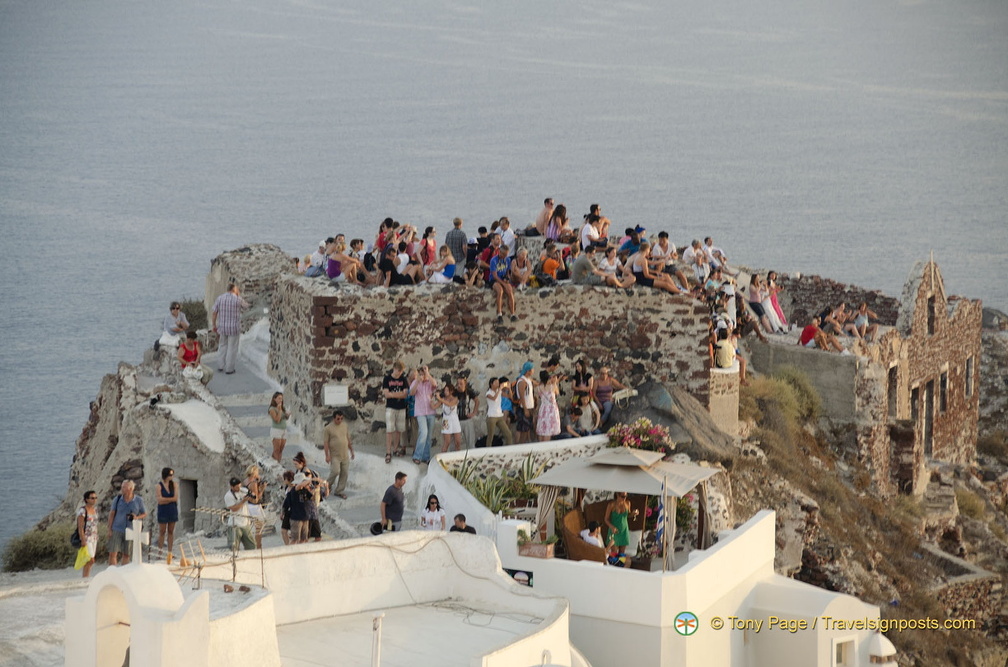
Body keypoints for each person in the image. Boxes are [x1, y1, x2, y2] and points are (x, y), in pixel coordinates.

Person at [211, 283, 248, 375]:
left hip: (222, 327)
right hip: (233, 328)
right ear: (234, 289)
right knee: (232, 348)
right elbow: (246, 306)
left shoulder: (220, 298)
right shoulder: (238, 299)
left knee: (222, 346)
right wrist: (238, 295)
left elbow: (214, 313)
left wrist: (214, 325)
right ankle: (229, 369)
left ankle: (220, 366)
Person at [107, 480, 146, 566]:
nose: (122, 489)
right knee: (113, 553)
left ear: (131, 489)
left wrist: (136, 517)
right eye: (122, 487)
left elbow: (144, 513)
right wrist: (109, 529)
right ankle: (112, 573)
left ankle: (124, 573)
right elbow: (112, 514)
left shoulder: (138, 500)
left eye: (124, 487)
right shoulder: (117, 499)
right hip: (117, 528)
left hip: (130, 529)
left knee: (127, 554)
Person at [323, 410, 354, 499]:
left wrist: (351, 450)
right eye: (338, 419)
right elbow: (326, 443)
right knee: (335, 471)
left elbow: (347, 438)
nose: (339, 420)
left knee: (345, 473)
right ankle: (327, 486)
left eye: (341, 419)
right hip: (335, 455)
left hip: (344, 454)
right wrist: (327, 455)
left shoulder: (344, 426)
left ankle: (339, 490)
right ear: (334, 418)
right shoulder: (328, 428)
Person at [383, 360, 409, 462]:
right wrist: (398, 394)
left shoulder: (403, 379)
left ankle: (395, 449)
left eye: (401, 371)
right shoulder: (387, 379)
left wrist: (392, 394)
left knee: (399, 430)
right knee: (389, 430)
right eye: (399, 371)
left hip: (401, 407)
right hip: (390, 407)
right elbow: (386, 394)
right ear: (394, 368)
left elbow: (405, 394)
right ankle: (388, 451)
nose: (400, 373)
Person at [410, 365, 437, 464]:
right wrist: (417, 381)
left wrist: (428, 374)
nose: (422, 376)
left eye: (423, 374)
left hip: (431, 412)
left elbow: (435, 384)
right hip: (420, 412)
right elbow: (412, 393)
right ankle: (417, 455)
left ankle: (426, 457)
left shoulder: (430, 382)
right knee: (423, 432)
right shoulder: (415, 382)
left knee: (429, 436)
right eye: (420, 374)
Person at [224, 477, 256, 550]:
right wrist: (243, 501)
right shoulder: (228, 496)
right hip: (234, 524)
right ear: (231, 487)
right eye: (236, 487)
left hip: (245, 523)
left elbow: (254, 500)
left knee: (252, 546)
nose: (238, 488)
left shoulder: (243, 491)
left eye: (239, 486)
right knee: (234, 548)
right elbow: (234, 509)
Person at [605, 492, 633, 566]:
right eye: (623, 496)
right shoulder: (611, 505)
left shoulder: (627, 503)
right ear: (617, 495)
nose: (625, 498)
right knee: (614, 552)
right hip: (614, 531)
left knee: (622, 553)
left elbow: (628, 515)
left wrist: (633, 513)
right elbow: (606, 519)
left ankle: (620, 568)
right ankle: (613, 568)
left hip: (624, 530)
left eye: (626, 496)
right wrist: (612, 526)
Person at [432, 383, 462, 452]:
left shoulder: (455, 399)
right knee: (447, 442)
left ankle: (458, 456)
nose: (445, 392)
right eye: (445, 390)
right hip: (446, 421)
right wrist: (431, 399)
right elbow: (434, 406)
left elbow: (450, 404)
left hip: (454, 420)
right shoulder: (442, 399)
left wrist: (440, 399)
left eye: (447, 390)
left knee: (458, 442)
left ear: (451, 391)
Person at [489, 245, 516, 322]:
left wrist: (507, 278)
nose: (504, 256)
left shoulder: (507, 260)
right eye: (503, 254)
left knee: (510, 291)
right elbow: (494, 275)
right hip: (494, 279)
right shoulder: (493, 260)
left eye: (506, 255)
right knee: (500, 291)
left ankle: (512, 314)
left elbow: (508, 272)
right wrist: (503, 284)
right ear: (500, 252)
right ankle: (499, 313)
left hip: (503, 278)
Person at [155, 467, 178, 556]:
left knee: (171, 531)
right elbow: (159, 500)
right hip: (163, 511)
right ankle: (159, 552)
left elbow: (175, 498)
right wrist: (171, 499)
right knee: (162, 531)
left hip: (172, 510)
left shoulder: (174, 485)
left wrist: (166, 499)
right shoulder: (159, 486)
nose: (172, 477)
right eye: (170, 475)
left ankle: (170, 552)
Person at [243, 464, 267, 548]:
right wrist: (262, 489)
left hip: (248, 505)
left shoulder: (246, 481)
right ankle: (258, 545)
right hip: (255, 507)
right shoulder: (253, 483)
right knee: (259, 528)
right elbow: (256, 498)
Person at [76, 490, 99, 578]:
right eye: (92, 498)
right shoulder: (82, 511)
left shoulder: (95, 510)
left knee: (91, 559)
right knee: (90, 559)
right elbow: (80, 526)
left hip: (94, 537)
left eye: (95, 498)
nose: (94, 500)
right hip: (86, 537)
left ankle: (86, 576)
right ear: (86, 499)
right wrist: (82, 539)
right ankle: (85, 577)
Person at [485, 376, 513, 446]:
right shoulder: (488, 393)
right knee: (490, 436)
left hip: (499, 416)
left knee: (508, 434)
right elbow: (494, 398)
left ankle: (509, 448)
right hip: (491, 416)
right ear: (491, 384)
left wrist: (509, 388)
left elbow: (510, 397)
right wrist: (500, 389)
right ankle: (488, 450)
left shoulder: (499, 391)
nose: (498, 384)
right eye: (496, 382)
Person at [514, 361, 537, 444]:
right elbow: (522, 396)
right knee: (523, 430)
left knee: (526, 429)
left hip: (530, 407)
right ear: (528, 371)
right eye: (532, 369)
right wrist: (525, 409)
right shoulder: (522, 381)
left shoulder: (528, 380)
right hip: (524, 408)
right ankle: (520, 446)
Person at [455, 376, 479, 450]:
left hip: (467, 419)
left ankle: (471, 456)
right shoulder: (454, 392)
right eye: (458, 383)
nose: (459, 385)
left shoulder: (469, 392)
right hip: (456, 420)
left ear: (465, 384)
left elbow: (477, 401)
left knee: (470, 441)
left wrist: (474, 413)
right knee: (456, 442)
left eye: (461, 384)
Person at [536, 372, 561, 441]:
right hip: (551, 409)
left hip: (543, 408)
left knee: (542, 428)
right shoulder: (552, 386)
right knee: (548, 429)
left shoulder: (538, 388)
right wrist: (555, 382)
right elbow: (557, 393)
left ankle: (540, 444)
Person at [268, 391, 290, 463]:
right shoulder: (272, 409)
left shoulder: (282, 407)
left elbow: (284, 418)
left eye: (281, 399)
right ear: (275, 399)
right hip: (276, 430)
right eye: (279, 398)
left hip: (284, 429)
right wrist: (279, 410)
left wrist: (287, 415)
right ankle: (275, 463)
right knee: (276, 449)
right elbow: (277, 420)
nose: (281, 400)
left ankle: (278, 463)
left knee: (281, 449)